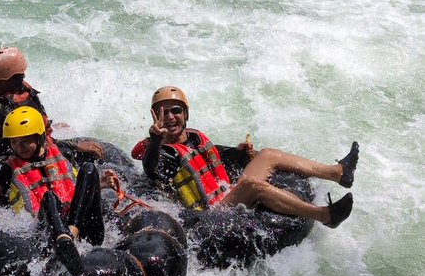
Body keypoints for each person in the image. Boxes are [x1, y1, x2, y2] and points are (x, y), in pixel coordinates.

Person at [131, 87, 357, 229]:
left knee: (267, 154)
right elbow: (151, 168)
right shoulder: (163, 154)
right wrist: (154, 139)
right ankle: (324, 216)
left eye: (176, 111)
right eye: (163, 113)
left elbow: (219, 156)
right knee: (251, 185)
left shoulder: (194, 138)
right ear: (156, 118)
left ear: (186, 114)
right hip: (210, 214)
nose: (170, 117)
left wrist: (241, 152)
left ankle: (337, 173)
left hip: (225, 193)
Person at [0, 107, 116, 276]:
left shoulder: (62, 153)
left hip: (85, 228)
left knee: (89, 169)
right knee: (49, 196)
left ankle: (70, 236)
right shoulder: (9, 168)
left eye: (25, 140)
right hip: (47, 235)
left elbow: (76, 189)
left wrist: (101, 184)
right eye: (14, 142)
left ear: (40, 136)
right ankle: (63, 241)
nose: (19, 147)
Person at [0, 47, 103, 161]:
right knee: (69, 153)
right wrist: (74, 145)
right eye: (18, 76)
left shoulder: (12, 88)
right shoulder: (2, 107)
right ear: (4, 80)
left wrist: (50, 126)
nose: (23, 76)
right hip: (19, 149)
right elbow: (29, 140)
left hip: (30, 140)